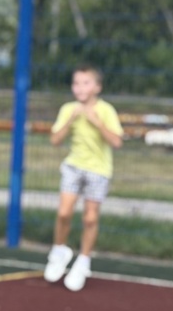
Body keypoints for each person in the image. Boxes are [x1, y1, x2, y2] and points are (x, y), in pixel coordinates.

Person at [42, 66, 124, 291]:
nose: (80, 88)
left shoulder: (106, 110)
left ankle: (83, 260)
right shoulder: (68, 109)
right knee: (64, 212)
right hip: (73, 167)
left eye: (86, 83)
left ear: (97, 87)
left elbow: (117, 142)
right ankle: (59, 250)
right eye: (76, 83)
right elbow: (55, 140)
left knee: (90, 218)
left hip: (98, 171)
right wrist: (70, 120)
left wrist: (97, 123)